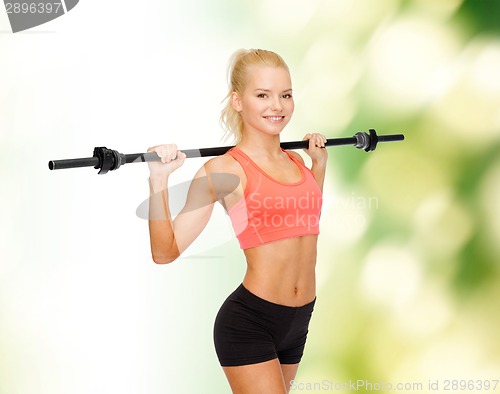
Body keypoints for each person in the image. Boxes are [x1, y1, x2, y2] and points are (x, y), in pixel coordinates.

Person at [147, 48, 328, 394]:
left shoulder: (297, 163)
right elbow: (164, 251)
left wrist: (318, 166)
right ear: (238, 101)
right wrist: (159, 179)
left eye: (285, 95)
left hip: (299, 320)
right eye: (262, 95)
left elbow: (306, 223)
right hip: (251, 323)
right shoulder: (224, 171)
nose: (277, 106)